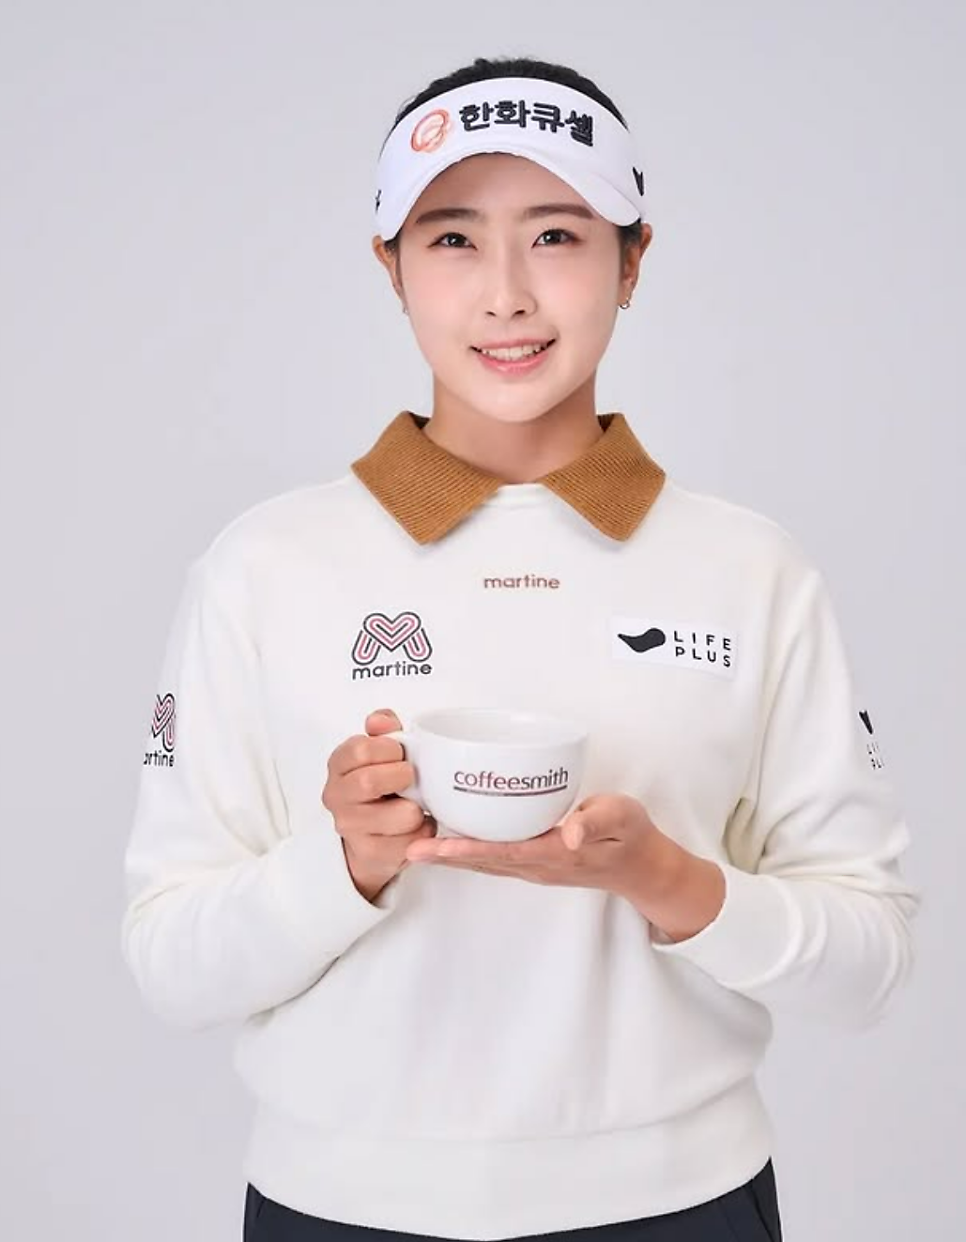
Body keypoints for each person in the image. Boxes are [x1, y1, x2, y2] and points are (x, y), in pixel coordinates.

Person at [121, 54, 920, 1242]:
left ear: (632, 261)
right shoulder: (264, 566)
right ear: (390, 266)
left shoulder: (751, 571)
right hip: (337, 1208)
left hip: (679, 1205)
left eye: (556, 236)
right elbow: (169, 965)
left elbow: (870, 965)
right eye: (452, 239)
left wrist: (661, 879)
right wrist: (347, 864)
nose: (506, 296)